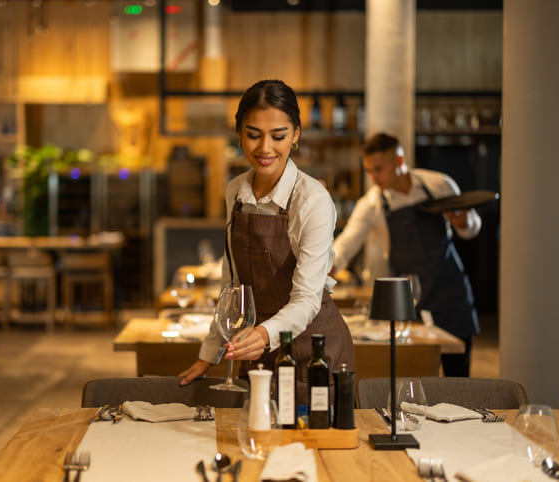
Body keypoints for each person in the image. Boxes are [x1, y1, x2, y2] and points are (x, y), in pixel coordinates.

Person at [179, 80, 355, 405]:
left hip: (313, 349)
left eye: (278, 136)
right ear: (239, 133)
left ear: (296, 135)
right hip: (256, 349)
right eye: (253, 134)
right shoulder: (235, 191)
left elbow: (306, 299)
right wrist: (209, 353)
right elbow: (232, 287)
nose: (265, 149)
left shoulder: (313, 200)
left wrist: (263, 334)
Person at [332, 132, 481, 376]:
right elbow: (348, 242)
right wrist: (331, 263)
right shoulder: (371, 205)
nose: (373, 177)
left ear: (399, 162)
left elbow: (471, 228)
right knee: (413, 377)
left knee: (458, 378)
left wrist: (463, 221)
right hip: (410, 300)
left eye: (378, 169)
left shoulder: (439, 185)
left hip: (450, 294)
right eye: (368, 170)